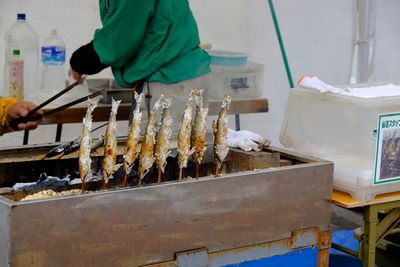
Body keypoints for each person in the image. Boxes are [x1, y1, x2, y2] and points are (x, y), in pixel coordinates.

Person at [69, 0, 211, 131]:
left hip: (166, 81)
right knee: (186, 153)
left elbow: (119, 41)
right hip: (189, 72)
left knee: (156, 155)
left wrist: (80, 62)